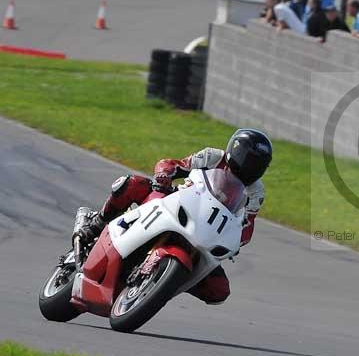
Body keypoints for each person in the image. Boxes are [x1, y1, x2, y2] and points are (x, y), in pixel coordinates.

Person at [74, 129, 273, 305]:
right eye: (248, 159)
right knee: (132, 183)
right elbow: (173, 164)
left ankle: (165, 281)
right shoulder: (213, 157)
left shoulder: (256, 192)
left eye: (258, 164)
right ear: (235, 151)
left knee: (219, 290)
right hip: (178, 202)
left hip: (207, 231)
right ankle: (97, 223)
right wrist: (164, 175)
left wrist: (235, 241)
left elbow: (247, 226)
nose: (251, 166)